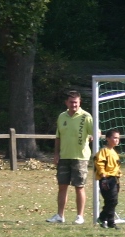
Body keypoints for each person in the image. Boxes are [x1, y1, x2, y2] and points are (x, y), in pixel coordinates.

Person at [46, 90, 94, 225]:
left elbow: (95, 131)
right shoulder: (62, 116)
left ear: (80, 103)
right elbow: (58, 136)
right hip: (64, 157)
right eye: (71, 102)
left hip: (80, 157)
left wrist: (94, 135)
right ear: (66, 102)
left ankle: (80, 216)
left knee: (79, 186)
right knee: (62, 186)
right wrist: (56, 154)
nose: (74, 105)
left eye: (76, 102)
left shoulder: (86, 116)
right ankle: (60, 215)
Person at [94, 129, 122, 229]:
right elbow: (99, 164)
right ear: (107, 138)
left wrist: (118, 178)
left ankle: (110, 222)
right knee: (111, 201)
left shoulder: (114, 152)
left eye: (118, 138)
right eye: (114, 138)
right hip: (106, 178)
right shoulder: (103, 151)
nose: (117, 140)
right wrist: (103, 177)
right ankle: (103, 218)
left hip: (114, 179)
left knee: (112, 201)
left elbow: (116, 167)